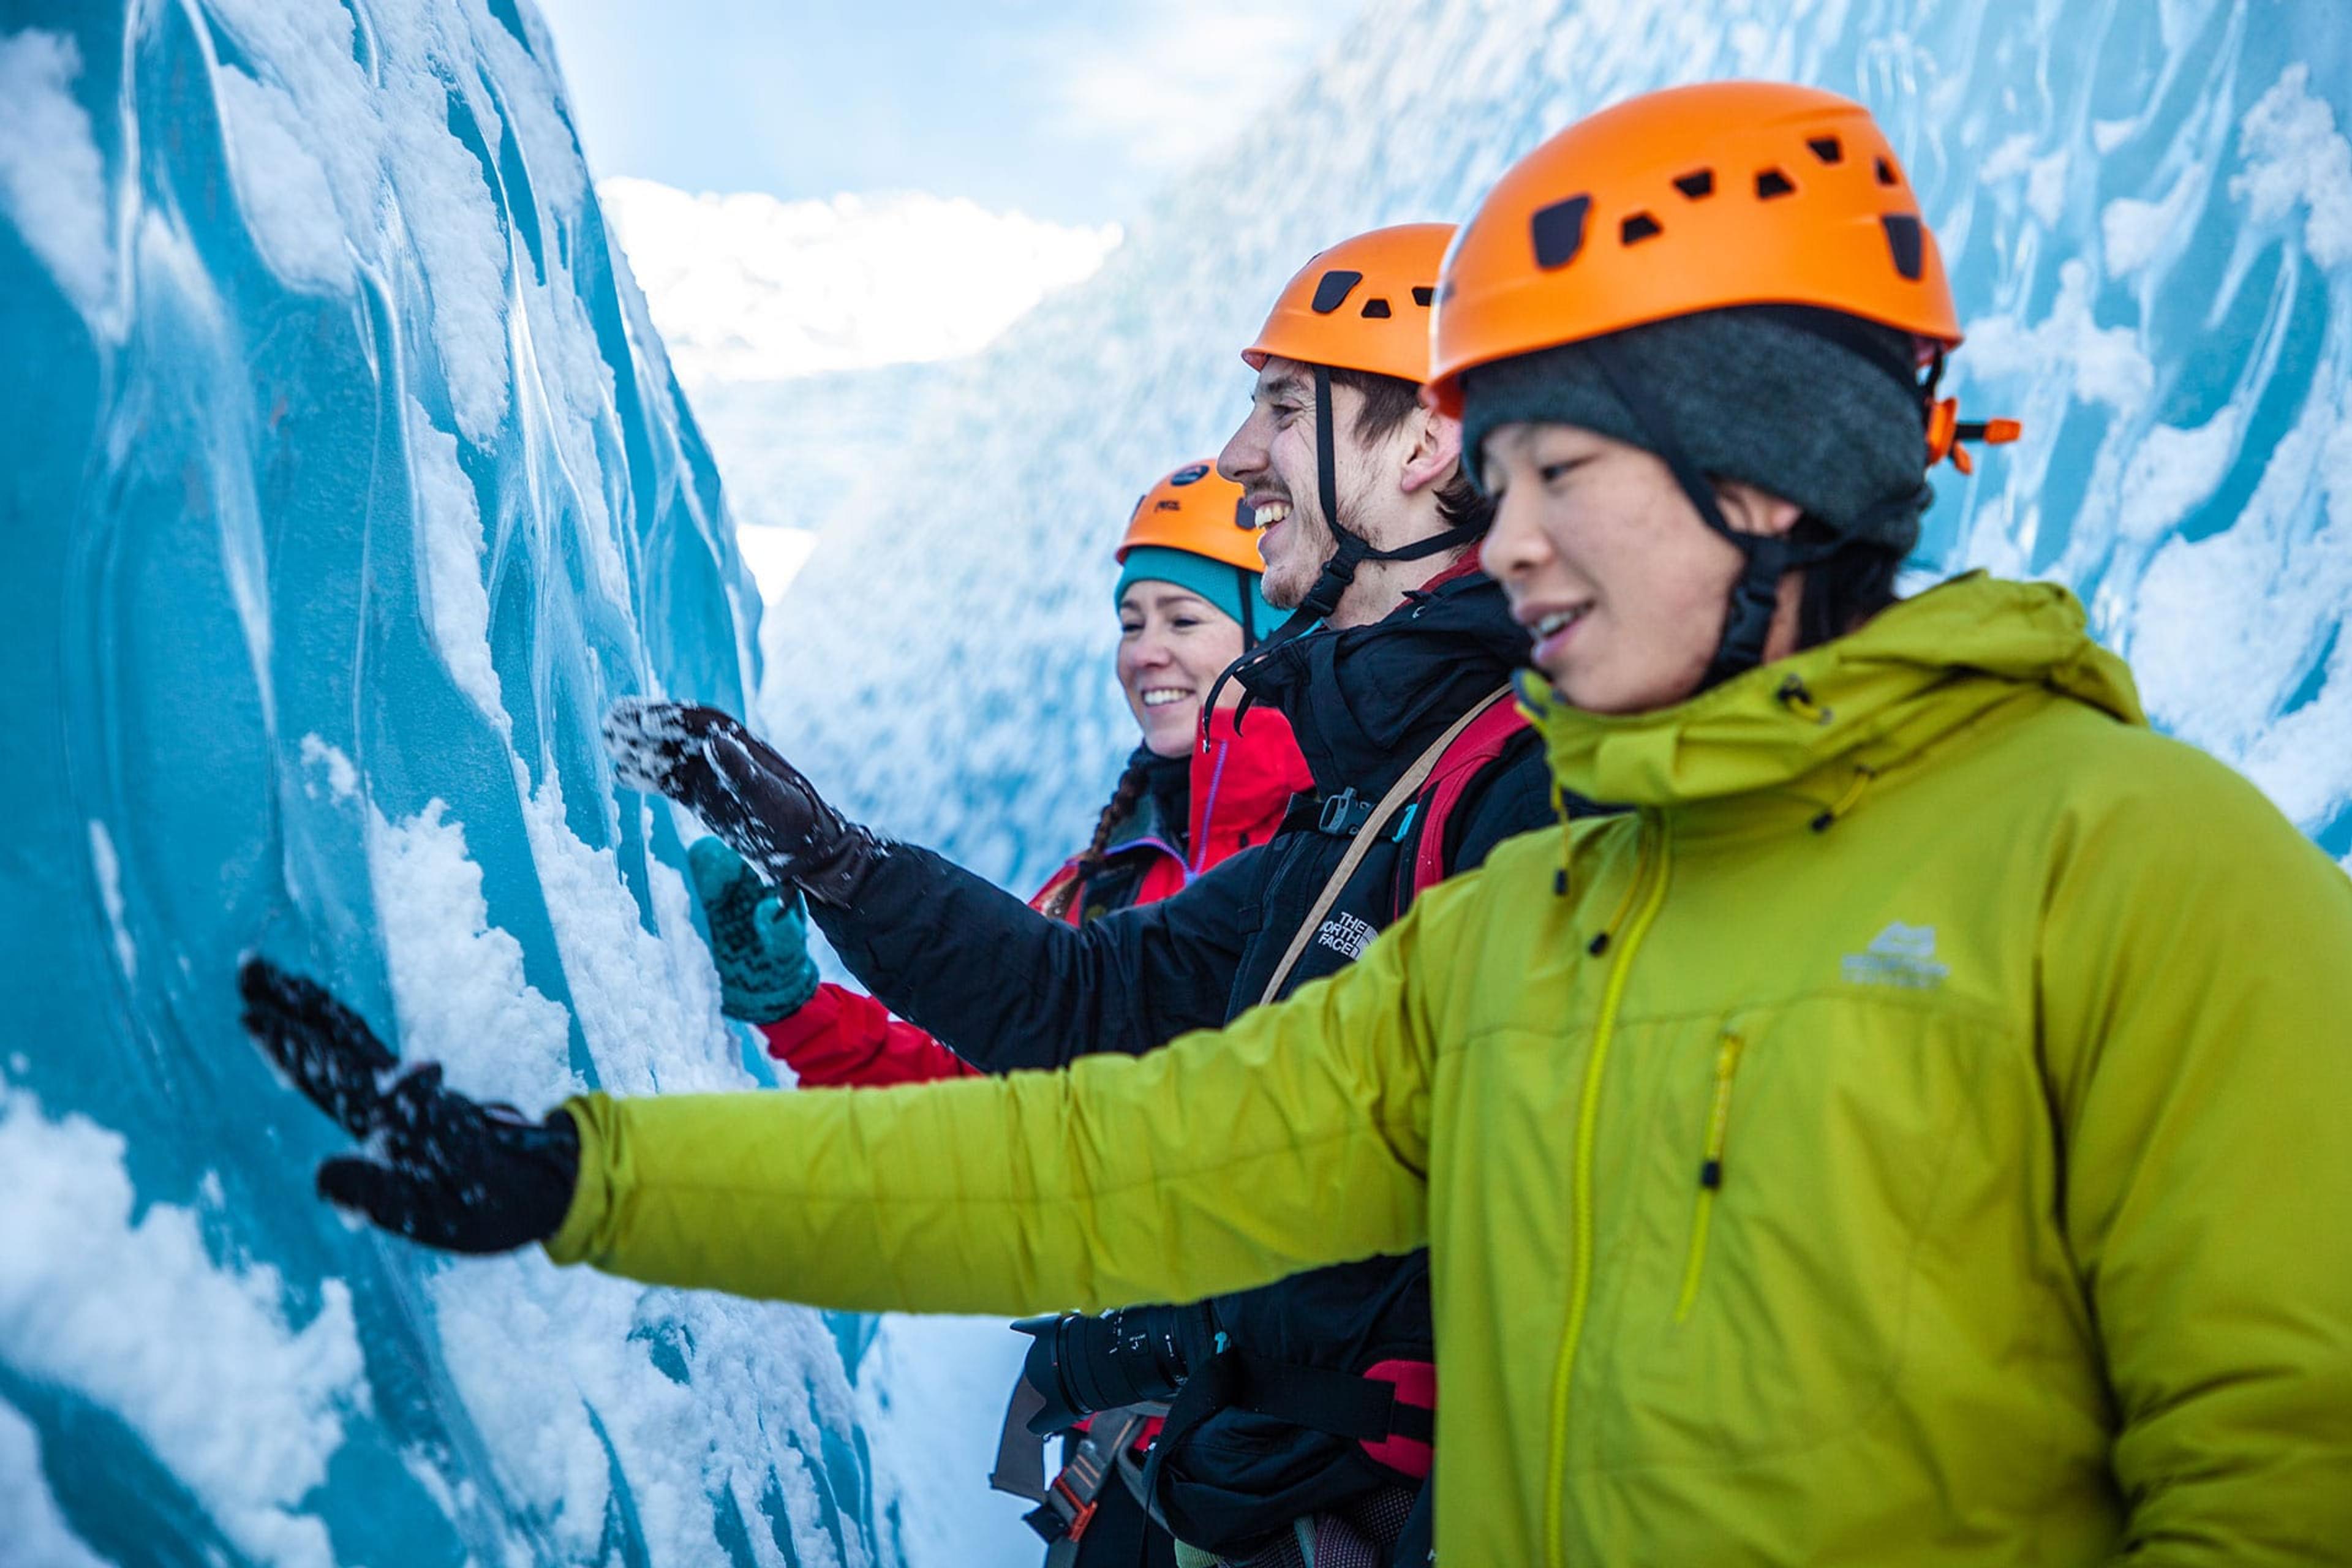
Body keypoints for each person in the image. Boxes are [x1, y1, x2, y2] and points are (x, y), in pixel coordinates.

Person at [242, 81, 2352, 1564]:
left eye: (1555, 474)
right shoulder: (1530, 936)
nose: (1500, 540)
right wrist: (583, 1178)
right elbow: (1085, 1165)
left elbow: (2293, 1476)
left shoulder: (2140, 871)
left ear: (1769, 465)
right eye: (1489, 473)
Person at [251, 225, 1570, 1568]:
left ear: (1422, 448)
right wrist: (834, 862)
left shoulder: (1510, 797)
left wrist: (596, 1178)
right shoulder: (1367, 808)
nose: (1238, 455)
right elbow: (1080, 1005)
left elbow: (1124, 1149)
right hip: (1248, 1490)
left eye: (1286, 407)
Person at [704, 459, 1306, 1102]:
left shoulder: (1331, 854)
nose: (1142, 652)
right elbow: (977, 1087)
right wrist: (799, 1009)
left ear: (1273, 638)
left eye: (1182, 620)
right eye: (1131, 623)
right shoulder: (1103, 875)